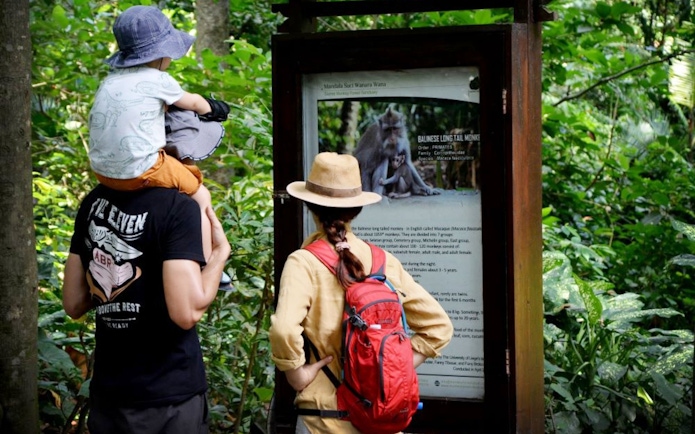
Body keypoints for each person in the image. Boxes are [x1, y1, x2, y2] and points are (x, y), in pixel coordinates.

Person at [269, 152, 454, 434]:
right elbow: (439, 328)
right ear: (356, 210)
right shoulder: (383, 261)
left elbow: (283, 330)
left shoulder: (303, 262)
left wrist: (297, 374)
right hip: (379, 417)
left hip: (325, 419)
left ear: (309, 206)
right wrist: (386, 369)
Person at [62, 171, 231, 433]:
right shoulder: (178, 206)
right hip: (169, 396)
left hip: (110, 394)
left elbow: (73, 303)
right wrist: (220, 254)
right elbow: (186, 313)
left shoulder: (93, 202)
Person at [88, 5, 230, 276]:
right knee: (200, 195)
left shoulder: (110, 82)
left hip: (103, 173)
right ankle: (206, 262)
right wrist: (214, 107)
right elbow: (194, 103)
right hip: (142, 168)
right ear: (162, 53)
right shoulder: (158, 79)